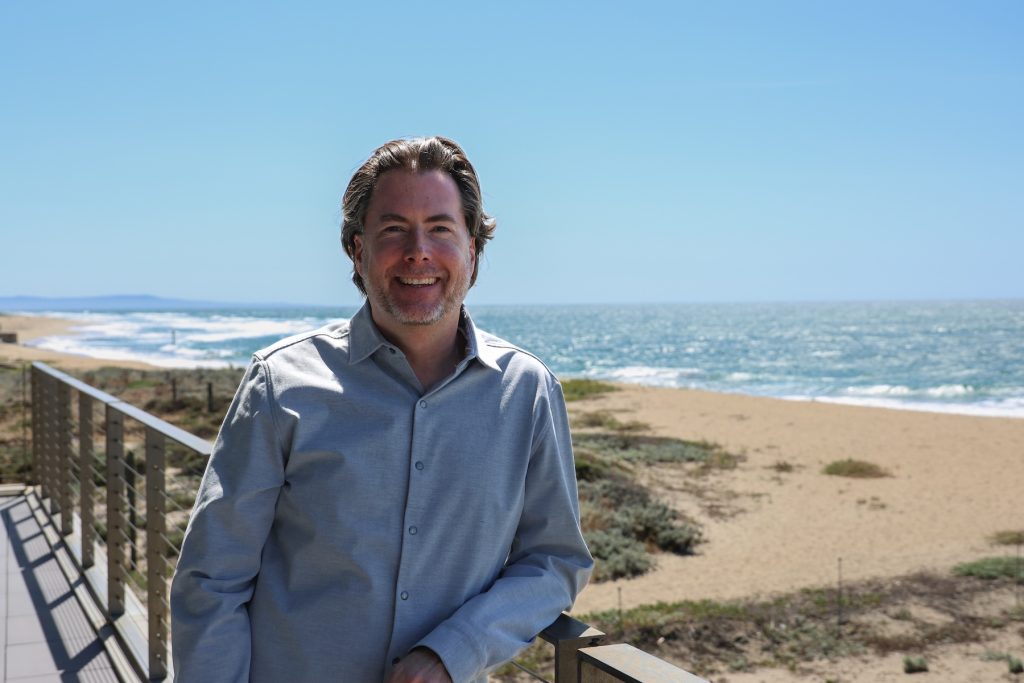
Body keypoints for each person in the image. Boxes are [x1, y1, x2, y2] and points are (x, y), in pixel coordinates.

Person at [170, 136, 593, 682]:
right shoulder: (280, 384)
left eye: (441, 228)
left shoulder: (528, 392)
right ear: (357, 249)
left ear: (473, 249)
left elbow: (555, 561)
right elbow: (212, 581)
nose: (418, 250)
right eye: (393, 229)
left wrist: (456, 649)